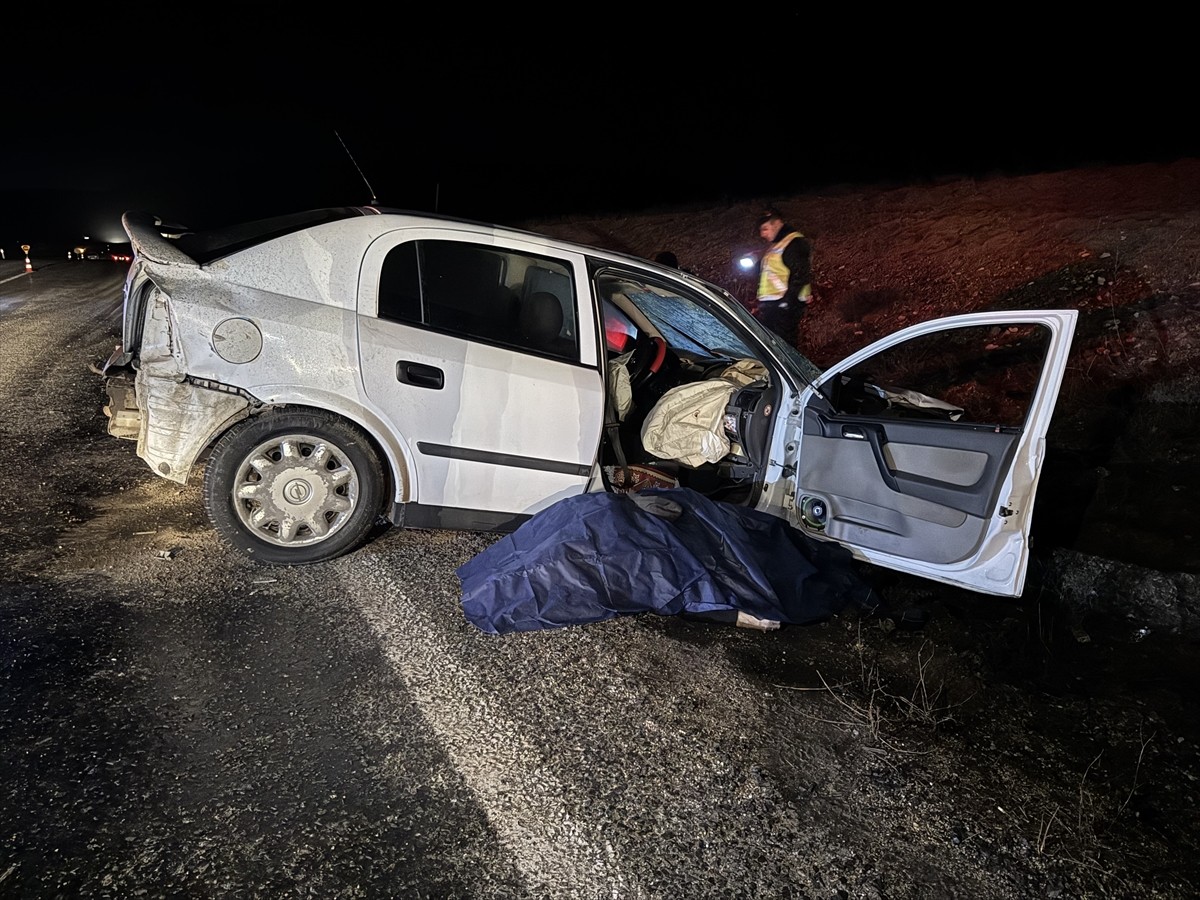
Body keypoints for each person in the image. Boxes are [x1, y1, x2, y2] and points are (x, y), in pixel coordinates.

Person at [752, 207, 812, 345]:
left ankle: (789, 367)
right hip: (774, 305)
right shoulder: (778, 244)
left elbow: (801, 274)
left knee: (784, 346)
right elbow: (769, 271)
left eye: (765, 228)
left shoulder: (794, 243)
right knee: (774, 346)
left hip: (784, 305)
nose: (762, 234)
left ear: (777, 223)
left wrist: (787, 302)